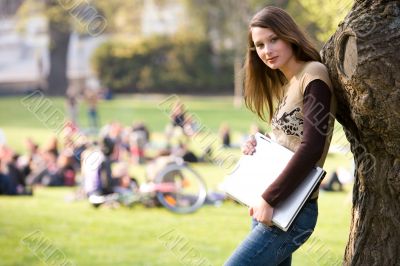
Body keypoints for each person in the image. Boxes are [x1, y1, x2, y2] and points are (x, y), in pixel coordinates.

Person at [225, 6, 336, 266]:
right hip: (270, 205)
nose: (266, 51)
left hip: (292, 210)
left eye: (273, 40)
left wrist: (268, 198)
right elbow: (290, 139)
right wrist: (258, 145)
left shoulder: (314, 75)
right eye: (259, 45)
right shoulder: (288, 83)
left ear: (289, 35)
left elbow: (311, 148)